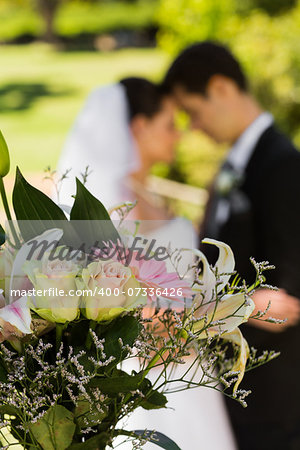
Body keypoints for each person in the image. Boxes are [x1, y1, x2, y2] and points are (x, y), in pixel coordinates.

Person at [57, 77, 237, 450]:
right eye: (170, 125)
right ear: (139, 126)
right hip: (150, 381)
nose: (178, 136)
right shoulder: (110, 209)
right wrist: (226, 314)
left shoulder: (147, 193)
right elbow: (121, 310)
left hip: (190, 374)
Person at [163, 41, 300, 449]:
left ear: (221, 88)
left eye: (193, 112)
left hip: (272, 386)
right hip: (231, 379)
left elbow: (285, 293)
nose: (194, 127)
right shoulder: (232, 165)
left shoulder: (284, 165)